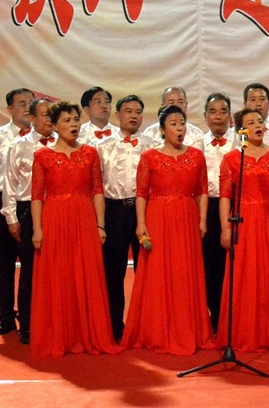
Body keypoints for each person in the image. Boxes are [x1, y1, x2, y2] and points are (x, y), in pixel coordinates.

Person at [30, 101, 120, 356]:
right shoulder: (42, 155)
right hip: (55, 220)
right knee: (59, 276)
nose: (73, 125)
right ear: (55, 125)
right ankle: (60, 336)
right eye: (67, 120)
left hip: (84, 219)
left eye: (76, 120)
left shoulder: (90, 153)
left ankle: (88, 334)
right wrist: (37, 229)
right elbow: (36, 195)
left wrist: (100, 225)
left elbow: (98, 191)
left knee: (86, 274)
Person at [122, 105, 213, 354]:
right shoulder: (149, 157)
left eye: (182, 123)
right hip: (158, 217)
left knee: (185, 271)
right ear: (162, 130)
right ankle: (157, 330)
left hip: (187, 217)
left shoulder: (196, 156)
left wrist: (202, 219)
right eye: (173, 124)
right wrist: (141, 223)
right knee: (158, 272)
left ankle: (188, 329)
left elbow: (202, 190)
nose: (179, 128)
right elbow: (142, 193)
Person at [217, 108, 269, 352]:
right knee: (245, 275)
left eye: (260, 121)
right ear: (241, 130)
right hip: (243, 220)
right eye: (251, 122)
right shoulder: (232, 159)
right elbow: (225, 197)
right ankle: (245, 334)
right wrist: (225, 227)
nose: (257, 125)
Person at [94, 94, 154, 341]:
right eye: (128, 111)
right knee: (113, 272)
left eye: (138, 112)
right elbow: (97, 186)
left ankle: (146, 327)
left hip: (145, 212)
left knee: (147, 272)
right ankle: (114, 327)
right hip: (114, 212)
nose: (134, 116)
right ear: (117, 115)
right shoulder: (103, 146)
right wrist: (100, 223)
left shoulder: (152, 146)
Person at [2, 98, 55, 345]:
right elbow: (9, 183)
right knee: (30, 271)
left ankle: (54, 322)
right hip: (26, 211)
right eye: (44, 114)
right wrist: (12, 218)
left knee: (55, 270)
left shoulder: (63, 143)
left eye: (52, 114)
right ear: (32, 118)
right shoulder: (18, 145)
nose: (49, 119)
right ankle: (28, 324)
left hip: (57, 210)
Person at [0, 88, 34, 337]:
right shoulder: (1, 136)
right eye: (22, 104)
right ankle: (5, 316)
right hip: (1, 203)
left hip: (29, 205)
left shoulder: (43, 138)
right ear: (10, 109)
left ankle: (29, 318)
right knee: (3, 264)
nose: (27, 108)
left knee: (31, 266)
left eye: (30, 103)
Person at [200, 93, 234, 333]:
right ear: (205, 116)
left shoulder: (240, 143)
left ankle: (235, 317)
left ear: (230, 116)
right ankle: (215, 318)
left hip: (235, 207)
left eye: (223, 111)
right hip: (208, 207)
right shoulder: (197, 144)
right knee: (210, 265)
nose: (218, 116)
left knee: (234, 264)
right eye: (213, 111)